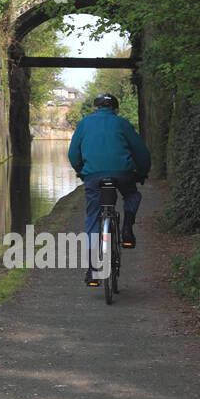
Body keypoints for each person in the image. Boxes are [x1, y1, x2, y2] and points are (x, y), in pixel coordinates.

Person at [67, 92, 151, 285]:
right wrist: (142, 172)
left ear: (95, 108)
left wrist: (82, 171)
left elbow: (73, 153)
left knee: (93, 219)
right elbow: (141, 152)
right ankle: (127, 227)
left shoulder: (85, 123)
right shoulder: (122, 123)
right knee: (132, 195)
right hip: (123, 173)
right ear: (115, 109)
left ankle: (93, 270)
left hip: (94, 176)